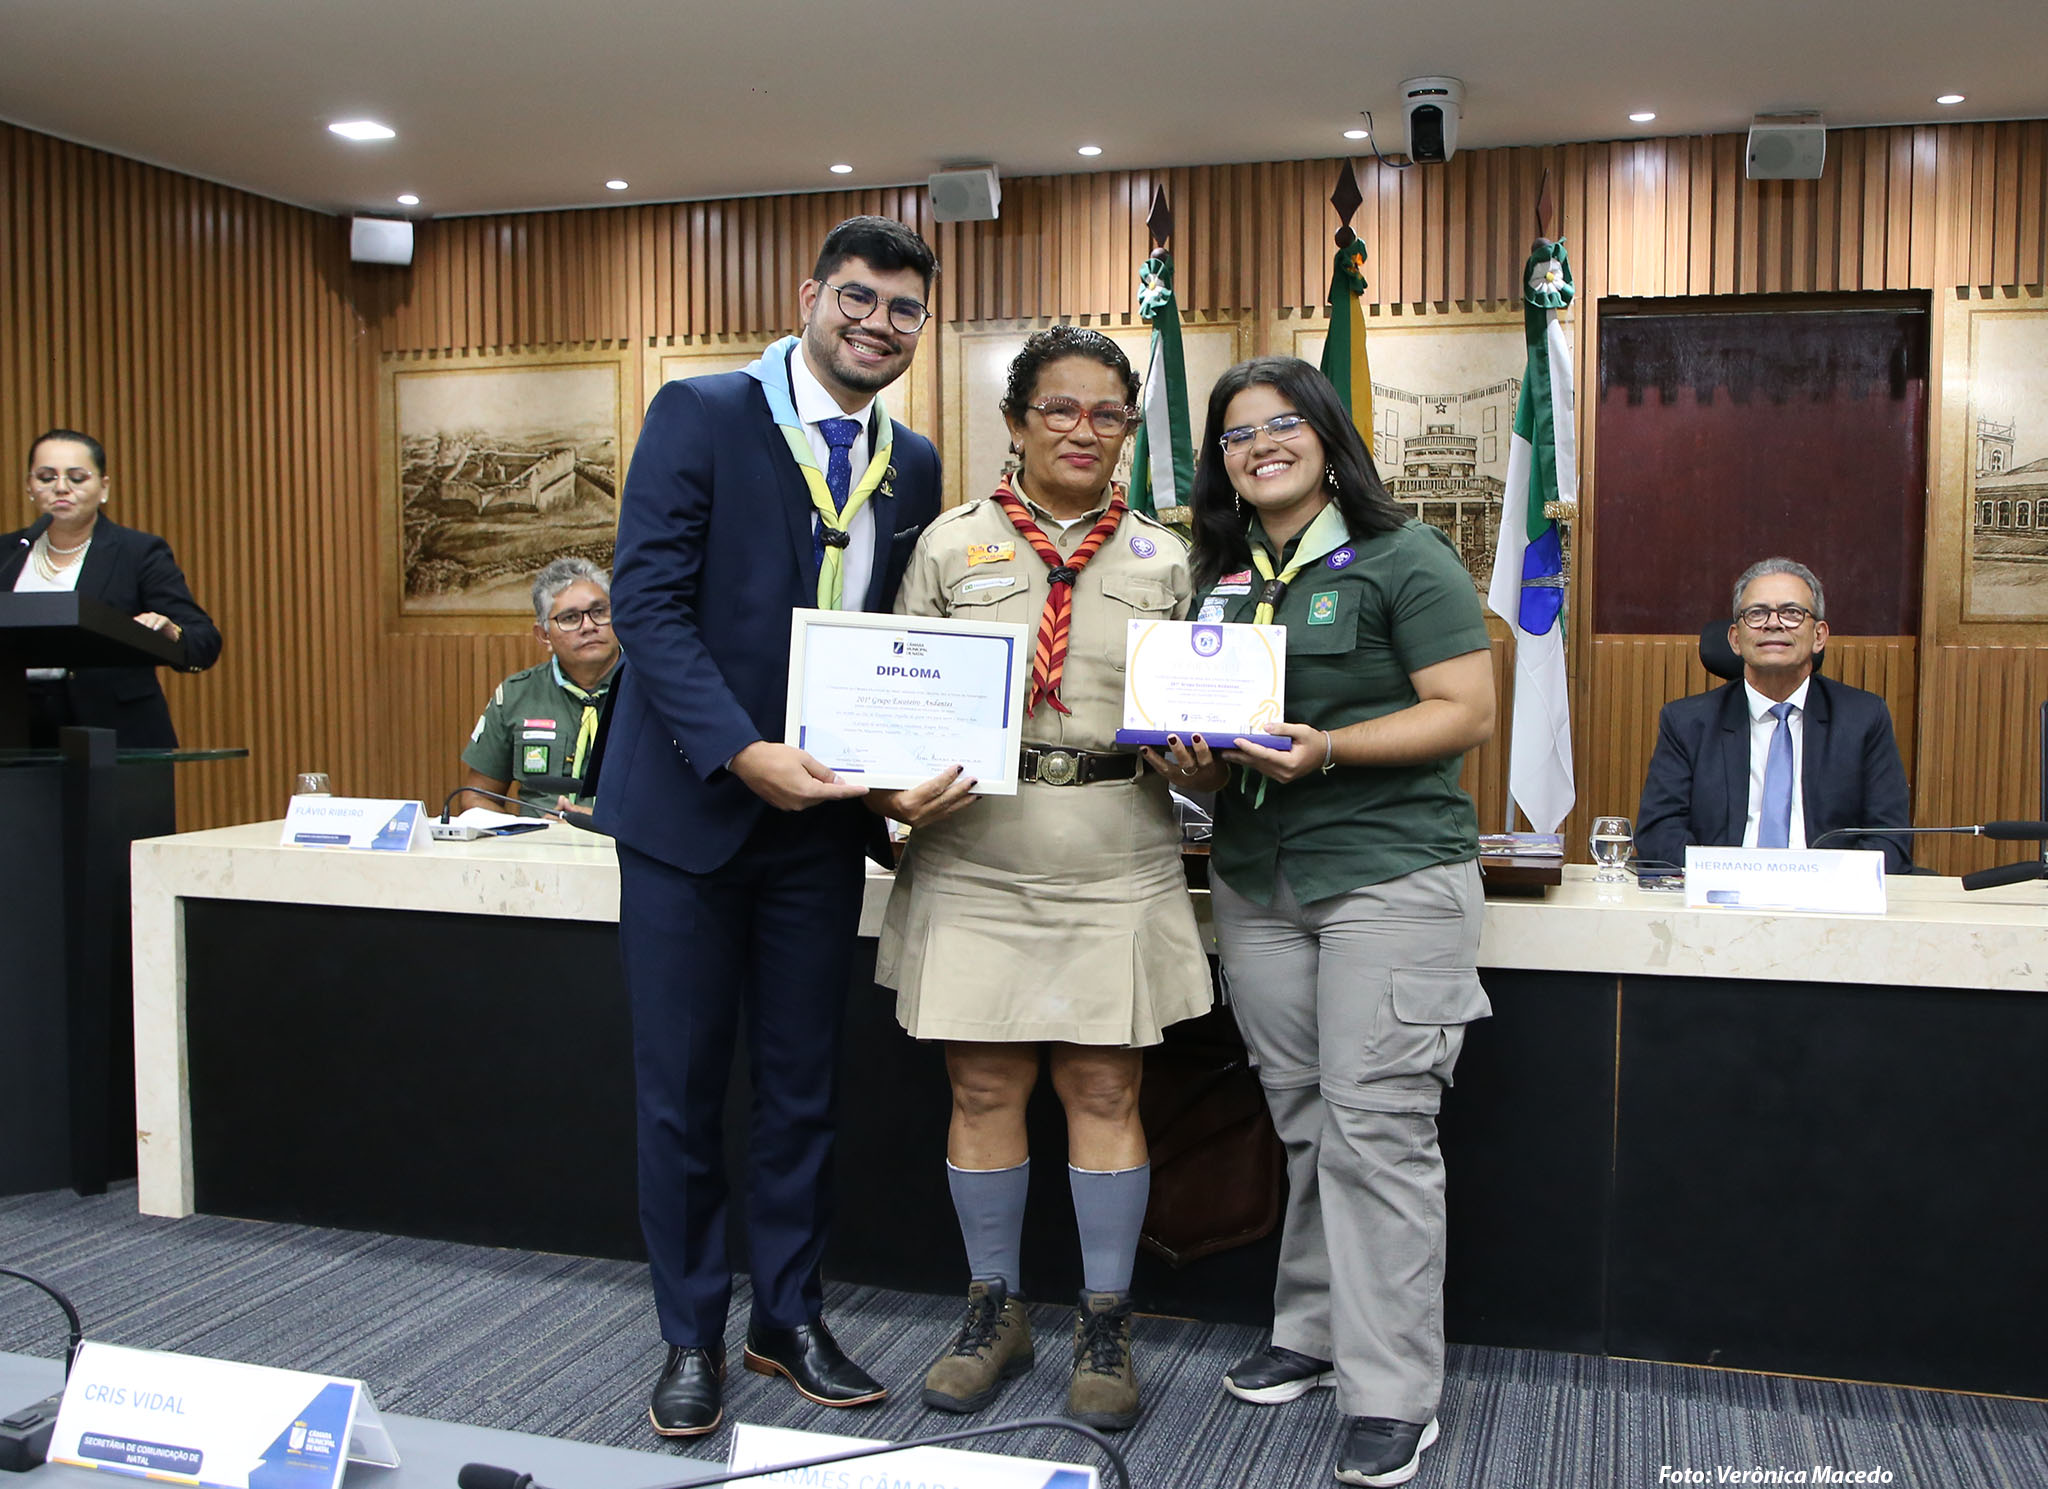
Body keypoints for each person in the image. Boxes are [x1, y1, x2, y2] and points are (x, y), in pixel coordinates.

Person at [592, 216, 946, 1439]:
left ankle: (785, 1316)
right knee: (682, 1094)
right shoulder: (699, 413)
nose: (877, 324)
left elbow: (896, 645)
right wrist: (743, 752)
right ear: (810, 295)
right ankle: (689, 1331)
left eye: (903, 309)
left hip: (820, 826)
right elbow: (645, 602)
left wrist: (890, 777)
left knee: (802, 1088)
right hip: (688, 811)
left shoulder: (913, 462)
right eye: (858, 297)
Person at [1149, 356, 1494, 1488]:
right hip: (1258, 880)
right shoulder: (1218, 578)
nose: (1260, 447)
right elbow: (1211, 741)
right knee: (1302, 1120)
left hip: (1386, 879)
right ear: (1220, 462)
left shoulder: (1405, 555)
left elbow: (1466, 712)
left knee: (1377, 1130)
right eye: (1237, 435)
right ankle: (1311, 1327)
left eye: (1281, 424)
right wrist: (1192, 764)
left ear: (1326, 437)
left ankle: (1392, 1389)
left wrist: (1332, 746)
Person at [875, 326, 1210, 1433]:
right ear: (1015, 422)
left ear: (1127, 431)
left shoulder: (1167, 558)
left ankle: (1104, 1321)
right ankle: (994, 1311)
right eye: (1058, 408)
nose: (1082, 429)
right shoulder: (948, 545)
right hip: (977, 853)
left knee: (1105, 1093)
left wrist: (1205, 754)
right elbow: (893, 696)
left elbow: (1207, 720)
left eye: (1107, 413)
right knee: (981, 1090)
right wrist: (889, 783)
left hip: (1115, 852)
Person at [1636, 558, 1911, 873]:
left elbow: (1889, 839)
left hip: (1827, 895)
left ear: (1819, 636)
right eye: (1757, 613)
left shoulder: (1863, 719)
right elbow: (1659, 833)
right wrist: (1724, 878)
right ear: (1735, 639)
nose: (1773, 623)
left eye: (1792, 613)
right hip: (1721, 893)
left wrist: (1821, 885)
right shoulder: (1686, 722)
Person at [4, 429, 220, 748]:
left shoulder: (137, 552)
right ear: (29, 486)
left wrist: (172, 633)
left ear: (103, 487)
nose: (61, 487)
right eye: (47, 477)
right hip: (15, 728)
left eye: (77, 478)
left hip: (114, 730)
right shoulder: (8, 553)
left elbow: (204, 640)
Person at [455, 556, 621, 814]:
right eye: (570, 618)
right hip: (540, 837)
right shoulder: (517, 695)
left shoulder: (655, 689)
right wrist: (527, 832)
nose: (588, 626)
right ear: (544, 636)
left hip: (625, 838)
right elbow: (475, 798)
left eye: (599, 612)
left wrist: (606, 822)